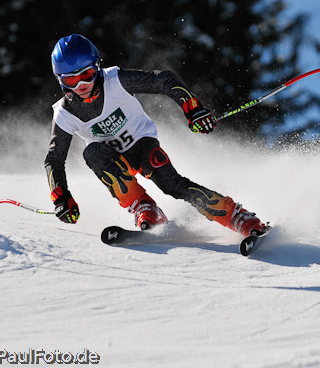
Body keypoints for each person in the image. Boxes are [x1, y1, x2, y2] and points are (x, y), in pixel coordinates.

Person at [44, 33, 267, 237]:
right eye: (71, 80)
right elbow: (54, 159)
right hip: (111, 159)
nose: (82, 84)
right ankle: (144, 207)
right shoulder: (64, 113)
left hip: (142, 146)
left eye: (88, 75)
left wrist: (193, 109)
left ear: (98, 68)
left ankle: (238, 217)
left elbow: (165, 80)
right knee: (92, 152)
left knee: (172, 184)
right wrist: (61, 197)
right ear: (60, 80)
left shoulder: (116, 80)